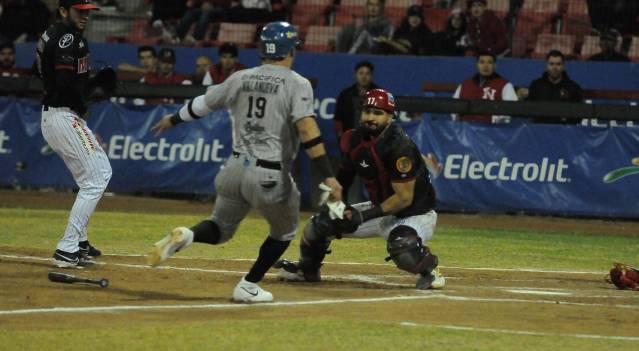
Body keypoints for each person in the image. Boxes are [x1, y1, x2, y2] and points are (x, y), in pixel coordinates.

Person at [147, 21, 342, 303]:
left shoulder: (239, 77)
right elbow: (307, 130)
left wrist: (173, 119)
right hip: (269, 173)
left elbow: (203, 104)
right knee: (285, 231)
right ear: (290, 50)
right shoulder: (297, 83)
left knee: (220, 228)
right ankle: (248, 285)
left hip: (234, 169)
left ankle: (187, 235)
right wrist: (328, 176)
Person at [273, 88, 445, 290]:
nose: (370, 117)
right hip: (380, 209)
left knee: (402, 246)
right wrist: (339, 208)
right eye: (367, 111)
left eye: (378, 113)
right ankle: (307, 270)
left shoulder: (400, 147)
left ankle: (430, 270)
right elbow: (341, 182)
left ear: (390, 117)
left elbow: (403, 199)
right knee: (319, 225)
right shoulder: (352, 140)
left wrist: (362, 216)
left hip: (413, 214)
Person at [36, 0, 111, 268]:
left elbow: (50, 75)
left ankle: (79, 242)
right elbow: (65, 83)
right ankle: (67, 248)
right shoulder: (68, 38)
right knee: (98, 177)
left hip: (60, 115)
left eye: (87, 11)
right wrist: (84, 100)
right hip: (63, 115)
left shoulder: (53, 34)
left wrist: (88, 86)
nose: (85, 16)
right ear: (63, 11)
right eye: (80, 11)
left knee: (90, 178)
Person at [520, 50, 584, 123]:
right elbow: (526, 110)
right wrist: (521, 98)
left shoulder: (573, 88)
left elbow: (580, 113)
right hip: (539, 128)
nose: (554, 67)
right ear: (546, 65)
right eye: (551, 64)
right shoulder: (536, 86)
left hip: (565, 129)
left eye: (558, 64)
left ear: (563, 66)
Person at [452, 52, 517, 123]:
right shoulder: (465, 85)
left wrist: (493, 121)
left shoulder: (505, 85)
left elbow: (511, 109)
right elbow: (453, 108)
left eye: (489, 62)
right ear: (477, 65)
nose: (485, 66)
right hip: (466, 128)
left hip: (492, 128)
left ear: (495, 66)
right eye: (482, 62)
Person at [333, 60, 379, 139]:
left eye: (367, 74)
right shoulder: (345, 94)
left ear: (372, 76)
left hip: (373, 138)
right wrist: (341, 137)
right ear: (355, 75)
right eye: (361, 73)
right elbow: (338, 119)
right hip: (350, 137)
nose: (364, 77)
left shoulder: (379, 94)